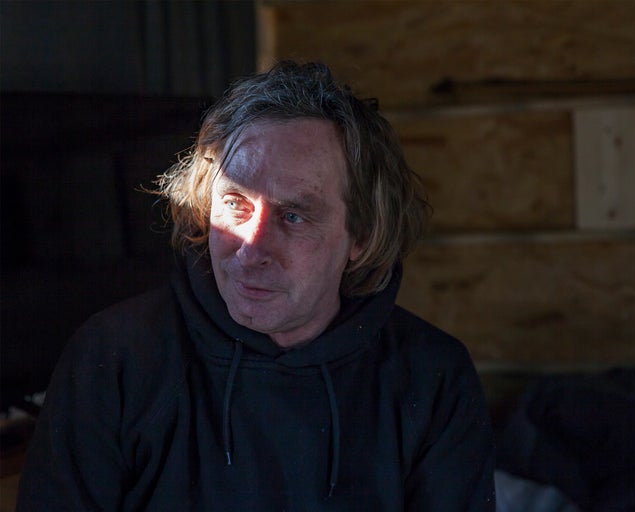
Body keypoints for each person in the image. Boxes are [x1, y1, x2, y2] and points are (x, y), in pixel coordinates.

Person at [17, 61, 495, 511]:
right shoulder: (115, 357)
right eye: (235, 203)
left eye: (293, 215)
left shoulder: (431, 375)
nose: (250, 249)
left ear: (363, 235)